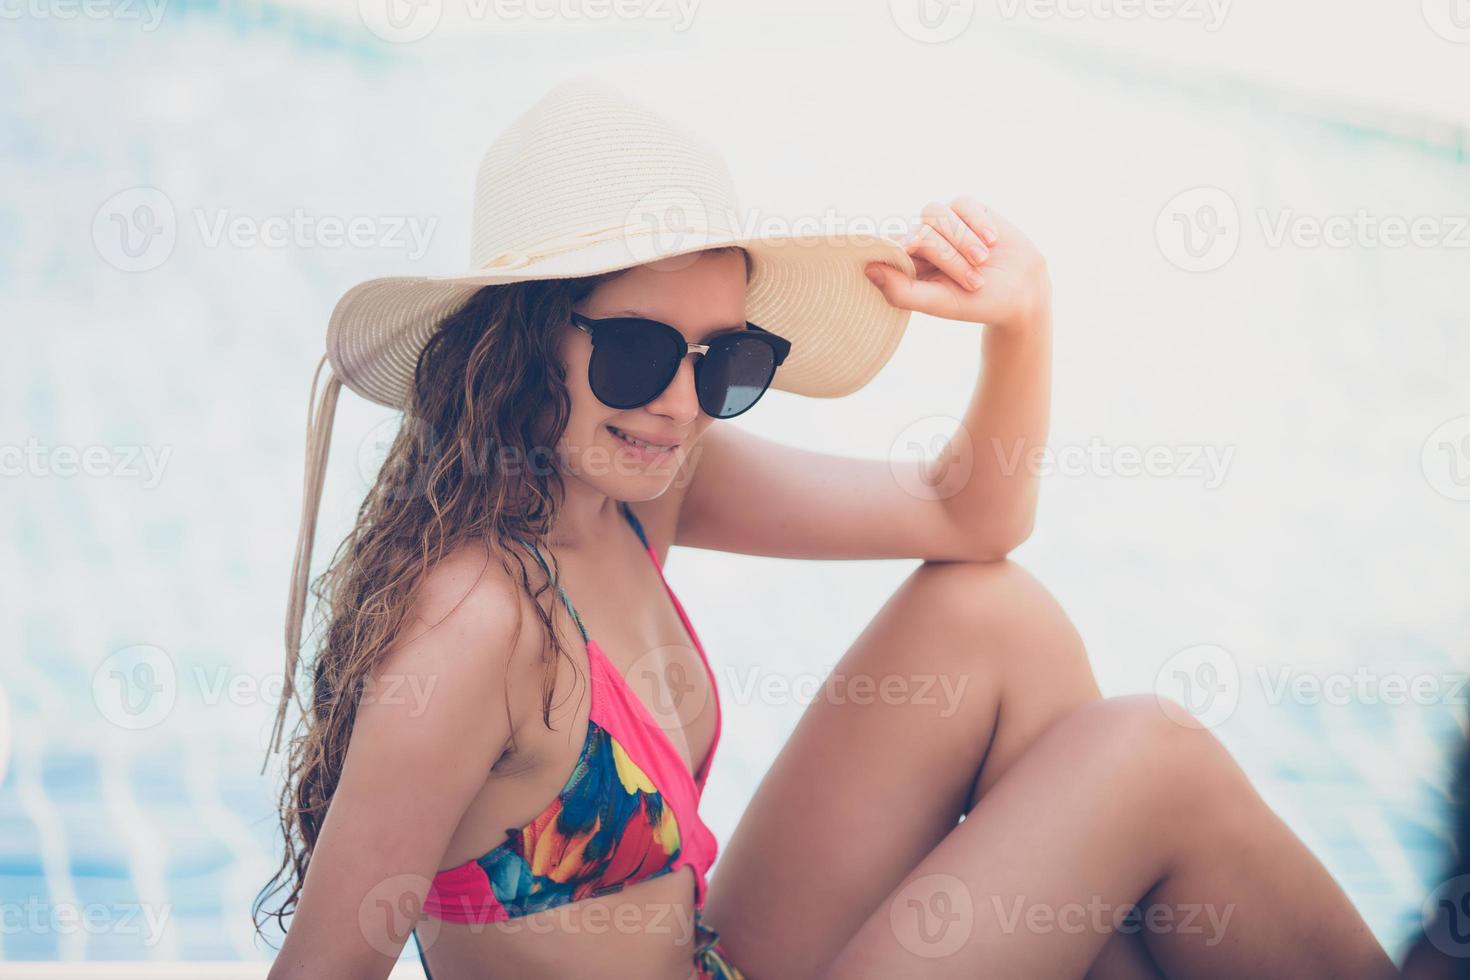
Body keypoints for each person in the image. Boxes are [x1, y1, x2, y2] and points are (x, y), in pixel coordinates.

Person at [256, 77, 1397, 979]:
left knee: (989, 615)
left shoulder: (638, 487)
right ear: (519, 340)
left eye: (725, 361)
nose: (680, 402)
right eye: (640, 352)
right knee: (1150, 757)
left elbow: (970, 513)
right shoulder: (473, 619)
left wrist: (1023, 319)